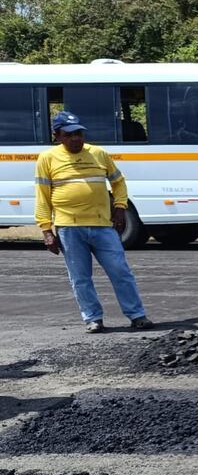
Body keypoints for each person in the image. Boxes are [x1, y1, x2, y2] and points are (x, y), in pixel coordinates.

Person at [34, 111, 153, 334]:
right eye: (69, 135)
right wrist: (46, 230)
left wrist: (119, 207)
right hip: (69, 228)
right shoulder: (47, 159)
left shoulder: (99, 154)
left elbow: (119, 183)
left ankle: (137, 315)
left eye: (79, 133)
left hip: (102, 226)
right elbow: (42, 196)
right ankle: (93, 318)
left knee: (120, 271)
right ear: (57, 136)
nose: (76, 138)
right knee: (80, 277)